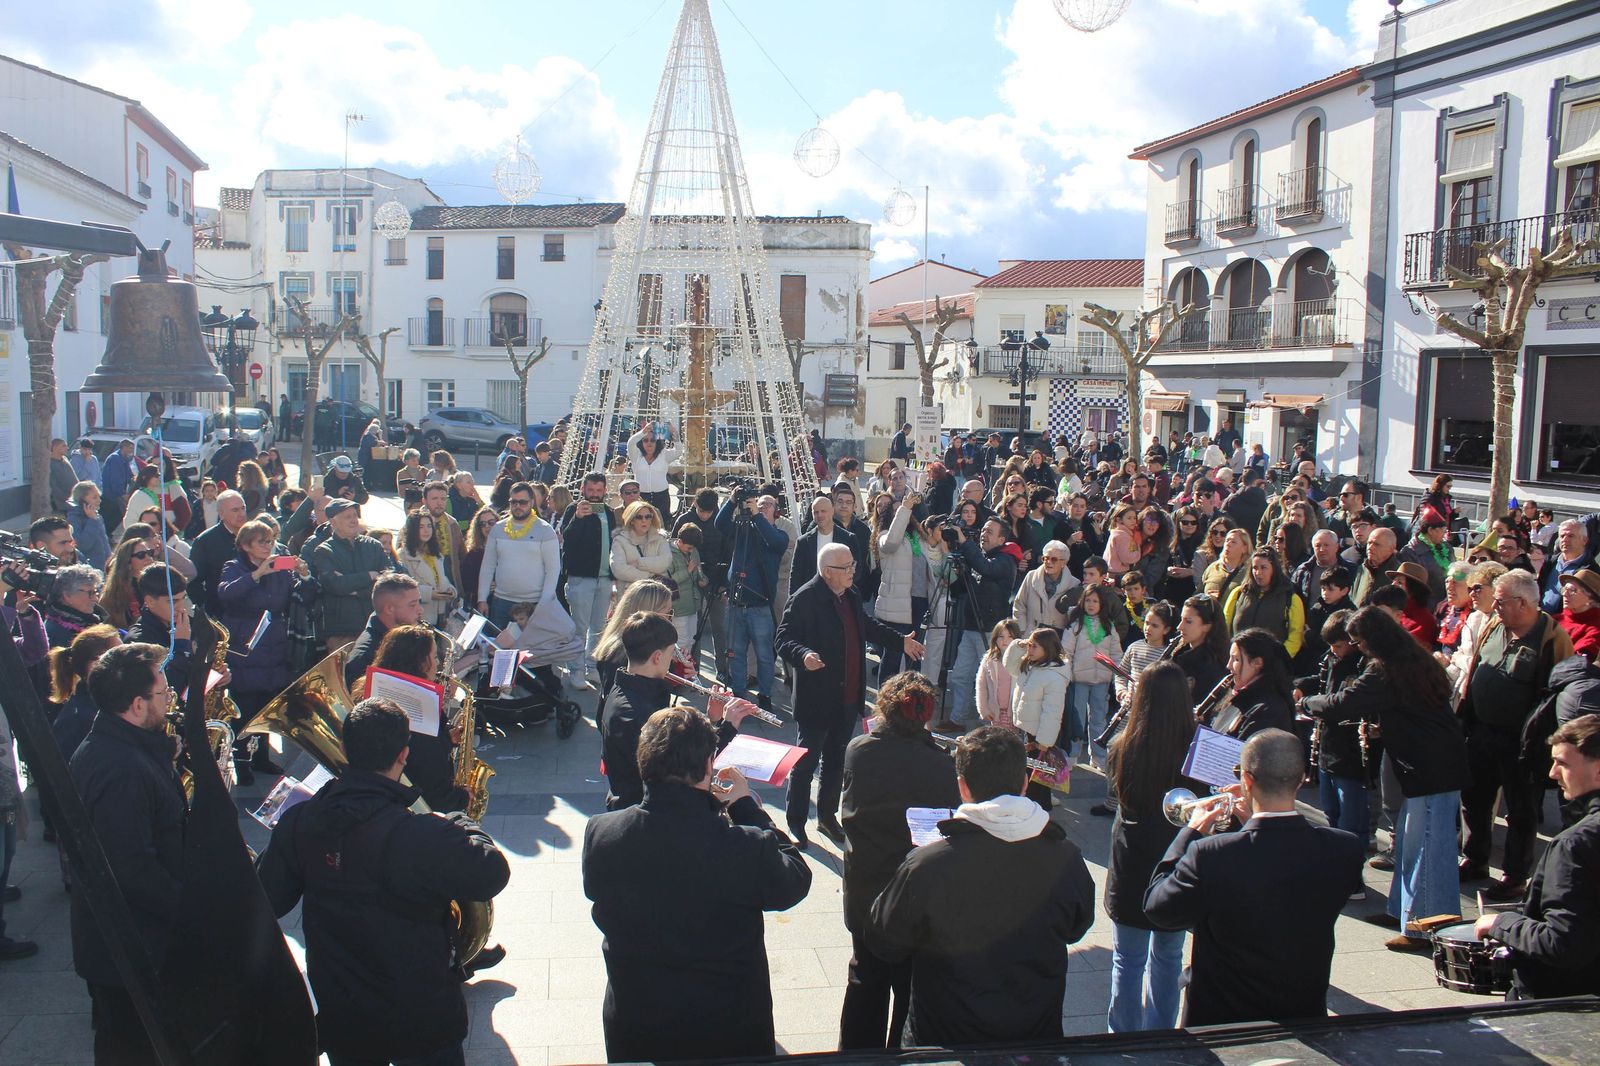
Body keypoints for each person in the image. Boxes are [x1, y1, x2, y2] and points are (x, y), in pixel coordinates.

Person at [257, 696, 510, 1066]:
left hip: (345, 1011)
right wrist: (461, 821)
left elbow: (268, 900)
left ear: (345, 748)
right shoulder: (422, 833)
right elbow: (493, 872)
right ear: (403, 755)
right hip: (420, 1014)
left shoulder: (302, 821)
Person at [583, 705, 812, 1062]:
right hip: (725, 1031)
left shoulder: (601, 832)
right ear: (707, 767)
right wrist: (744, 805)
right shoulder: (744, 846)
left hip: (637, 1024)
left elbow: (598, 891)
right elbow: (795, 880)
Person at [865, 726, 1095, 1047]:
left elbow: (883, 939)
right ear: (1025, 783)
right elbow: (1077, 926)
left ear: (962, 787)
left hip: (943, 1041)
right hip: (1035, 1037)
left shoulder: (927, 864)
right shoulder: (1066, 856)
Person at [1145, 728, 1363, 1025]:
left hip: (1222, 1022)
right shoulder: (1345, 848)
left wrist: (1190, 833)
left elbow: (1157, 907)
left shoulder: (1210, 855)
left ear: (1246, 780)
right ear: (1302, 779)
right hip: (1304, 1016)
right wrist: (1254, 820)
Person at [1306, 607, 1469, 951]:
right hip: (1430, 764)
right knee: (1411, 846)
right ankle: (1401, 911)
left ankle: (1423, 928)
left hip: (1431, 769)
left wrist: (1306, 702)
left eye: (1360, 641)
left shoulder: (1386, 671)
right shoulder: (1413, 660)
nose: (1358, 648)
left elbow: (1343, 702)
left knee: (1428, 849)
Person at [68, 643, 187, 1062]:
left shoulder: (124, 747)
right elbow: (131, 869)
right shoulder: (120, 769)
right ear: (137, 705)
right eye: (165, 694)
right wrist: (194, 913)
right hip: (132, 951)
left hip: (134, 944)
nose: (171, 702)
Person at [836, 672, 959, 1050]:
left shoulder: (860, 749)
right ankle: (900, 1055)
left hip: (866, 891)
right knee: (910, 987)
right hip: (914, 896)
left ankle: (857, 1056)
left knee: (866, 977)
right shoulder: (941, 765)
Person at [777, 542, 923, 847]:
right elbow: (784, 639)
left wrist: (901, 642)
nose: (853, 572)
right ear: (828, 572)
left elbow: (867, 626)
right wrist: (803, 655)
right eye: (847, 568)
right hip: (817, 698)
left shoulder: (851, 595)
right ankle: (796, 823)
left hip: (847, 697)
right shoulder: (804, 599)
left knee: (834, 763)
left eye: (853, 565)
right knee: (805, 765)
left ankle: (828, 817)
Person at [1461, 567, 1575, 901]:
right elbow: (1474, 671)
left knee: (1521, 810)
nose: (1494, 607)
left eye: (1501, 602)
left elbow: (1558, 696)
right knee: (1474, 800)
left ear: (1523, 603)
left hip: (1520, 743)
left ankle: (1514, 875)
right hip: (1482, 733)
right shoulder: (1495, 626)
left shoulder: (1552, 638)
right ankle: (1475, 858)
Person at [1476, 713, 1600, 999]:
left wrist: (1501, 923)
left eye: (1563, 763)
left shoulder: (1575, 845)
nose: (1552, 773)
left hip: (1568, 1005)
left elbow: (1564, 943)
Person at [1104, 661, 1196, 1032]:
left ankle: (1122, 1038)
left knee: (1127, 960)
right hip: (1176, 863)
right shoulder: (1196, 748)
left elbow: (1116, 794)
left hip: (1133, 860)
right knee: (1169, 958)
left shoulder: (1122, 745)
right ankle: (1161, 1033)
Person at [600, 611, 752, 811]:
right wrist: (728, 726)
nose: (673, 661)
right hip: (648, 815)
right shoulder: (637, 713)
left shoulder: (624, 687)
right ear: (657, 657)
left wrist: (712, 719)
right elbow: (686, 766)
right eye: (671, 653)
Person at [218, 520, 307, 783]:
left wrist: (303, 575)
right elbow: (226, 594)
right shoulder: (234, 567)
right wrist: (256, 575)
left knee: (267, 706)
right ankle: (242, 761)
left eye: (270, 541)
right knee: (245, 705)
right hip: (246, 645)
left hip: (274, 645)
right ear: (246, 546)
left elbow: (300, 596)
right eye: (262, 542)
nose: (269, 547)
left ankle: (262, 757)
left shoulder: (280, 570)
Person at [943, 518, 1020, 731]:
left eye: (990, 532)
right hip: (970, 627)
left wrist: (965, 543)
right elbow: (961, 590)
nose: (984, 534)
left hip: (990, 631)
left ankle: (990, 725)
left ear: (1002, 539)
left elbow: (987, 570)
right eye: (983, 530)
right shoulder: (979, 558)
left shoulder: (1005, 560)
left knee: (991, 680)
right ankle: (958, 718)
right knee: (960, 674)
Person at [717, 491, 790, 711]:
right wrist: (731, 501)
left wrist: (758, 516)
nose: (762, 506)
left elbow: (776, 543)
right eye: (760, 504)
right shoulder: (741, 532)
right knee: (736, 654)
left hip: (760, 607)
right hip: (736, 604)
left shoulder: (778, 536)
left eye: (768, 505)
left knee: (765, 656)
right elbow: (720, 524)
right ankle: (739, 694)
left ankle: (765, 695)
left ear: (776, 512)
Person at [558, 472, 620, 691]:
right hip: (580, 578)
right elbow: (567, 539)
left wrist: (614, 577)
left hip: (604, 578)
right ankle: (575, 669)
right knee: (579, 627)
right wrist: (578, 518)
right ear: (583, 489)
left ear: (604, 491)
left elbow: (613, 543)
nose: (594, 495)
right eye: (591, 490)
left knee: (598, 627)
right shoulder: (572, 510)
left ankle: (591, 665)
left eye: (598, 491)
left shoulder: (609, 512)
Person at [1001, 627, 1070, 809]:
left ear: (1047, 648)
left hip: (1038, 735)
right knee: (1028, 774)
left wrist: (1044, 741)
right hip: (1026, 729)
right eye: (1029, 645)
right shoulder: (1030, 666)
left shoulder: (1053, 677)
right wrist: (1018, 645)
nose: (1029, 650)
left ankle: (1040, 812)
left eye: (1034, 647)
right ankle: (1028, 807)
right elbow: (1009, 665)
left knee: (1038, 779)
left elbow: (1053, 711)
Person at [311, 500, 392, 651]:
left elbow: (389, 581)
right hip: (342, 631)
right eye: (348, 516)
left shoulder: (373, 546)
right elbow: (336, 585)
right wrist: (369, 575)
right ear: (333, 521)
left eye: (355, 515)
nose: (354, 520)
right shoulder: (324, 551)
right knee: (345, 673)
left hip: (377, 625)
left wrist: (358, 591)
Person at [1063, 584, 1123, 767]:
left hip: (1101, 681)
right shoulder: (1076, 624)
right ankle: (1072, 755)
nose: (1091, 604)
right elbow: (1066, 653)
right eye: (1088, 600)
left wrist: (1117, 677)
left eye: (1095, 601)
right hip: (1078, 680)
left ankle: (1098, 756)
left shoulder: (1109, 626)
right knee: (1077, 719)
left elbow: (1116, 654)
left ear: (1102, 604)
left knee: (1099, 718)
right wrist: (1067, 675)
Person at [343, 573, 425, 688]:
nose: (421, 610)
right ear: (389, 609)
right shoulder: (364, 657)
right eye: (412, 605)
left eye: (419, 602)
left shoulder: (402, 637)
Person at [1223, 628, 1297, 739]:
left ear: (1257, 663)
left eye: (1236, 659)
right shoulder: (1242, 696)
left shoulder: (1268, 711)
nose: (1228, 665)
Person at [187, 490, 249, 617]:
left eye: (243, 508)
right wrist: (207, 610)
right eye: (235, 510)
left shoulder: (255, 533)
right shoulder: (206, 541)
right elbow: (194, 580)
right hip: (222, 612)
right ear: (221, 514)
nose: (241, 514)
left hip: (255, 608)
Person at [396, 507, 457, 626]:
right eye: (421, 527)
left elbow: (441, 578)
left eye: (429, 526)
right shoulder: (403, 555)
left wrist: (450, 589)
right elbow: (402, 588)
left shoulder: (436, 554)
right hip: (418, 616)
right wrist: (429, 594)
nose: (426, 530)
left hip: (441, 613)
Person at [626, 421, 681, 521]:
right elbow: (630, 443)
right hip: (641, 497)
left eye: (652, 440)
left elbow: (679, 451)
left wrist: (674, 433)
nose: (649, 443)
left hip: (662, 497)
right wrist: (643, 431)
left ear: (657, 442)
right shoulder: (636, 455)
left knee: (661, 526)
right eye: (645, 440)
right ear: (641, 442)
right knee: (640, 525)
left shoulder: (664, 454)